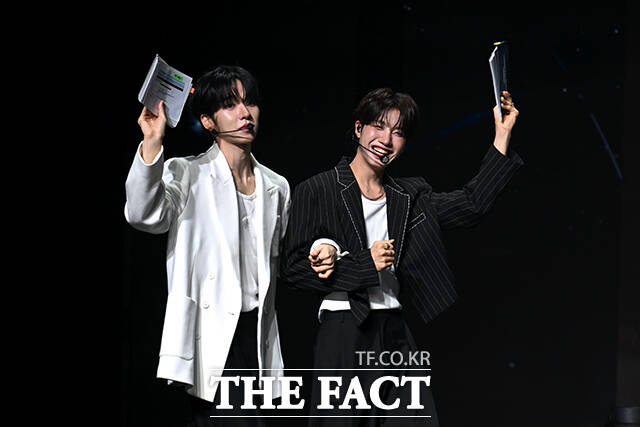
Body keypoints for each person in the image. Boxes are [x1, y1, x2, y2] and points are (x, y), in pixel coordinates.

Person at [281, 87, 522, 426]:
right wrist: (363, 265)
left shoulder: (409, 196)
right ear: (358, 129)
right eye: (378, 126)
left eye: (398, 132)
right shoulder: (318, 189)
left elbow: (472, 205)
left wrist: (502, 135)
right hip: (344, 330)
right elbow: (293, 270)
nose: (386, 140)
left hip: (394, 330)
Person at [125, 65, 290, 426]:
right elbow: (143, 214)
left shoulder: (277, 186)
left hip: (257, 335)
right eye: (230, 105)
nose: (245, 113)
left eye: (249, 103)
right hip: (211, 334)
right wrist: (152, 142)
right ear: (208, 121)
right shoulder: (187, 173)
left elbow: (278, 259)